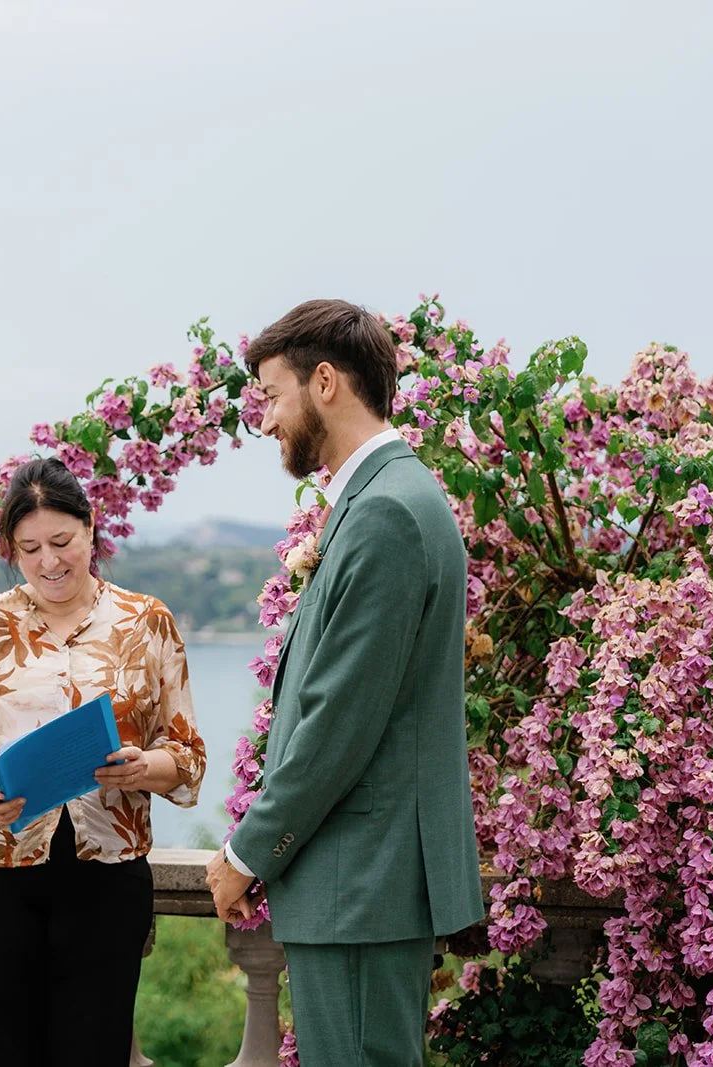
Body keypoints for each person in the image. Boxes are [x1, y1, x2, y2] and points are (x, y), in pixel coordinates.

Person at [206, 301, 485, 1065]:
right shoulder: (388, 498)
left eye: (271, 395)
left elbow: (339, 719)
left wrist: (246, 852)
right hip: (363, 885)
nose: (264, 421)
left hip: (361, 882)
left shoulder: (387, 512)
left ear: (324, 381)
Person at [0, 457, 206, 1067]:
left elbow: (187, 758)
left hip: (105, 879)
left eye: (61, 541)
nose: (49, 561)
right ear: (11, 550)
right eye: (30, 548)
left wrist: (143, 767)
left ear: (91, 529)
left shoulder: (146, 621)